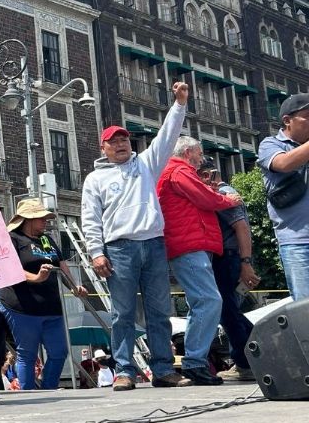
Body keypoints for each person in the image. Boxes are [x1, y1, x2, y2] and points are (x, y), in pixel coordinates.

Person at [80, 82, 192, 391]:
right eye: (113, 141)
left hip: (154, 245)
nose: (120, 144)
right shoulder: (95, 179)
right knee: (122, 313)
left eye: (124, 139)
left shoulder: (145, 165)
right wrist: (96, 252)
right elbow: (90, 219)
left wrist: (179, 104)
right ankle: (124, 371)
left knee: (160, 312)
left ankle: (163, 370)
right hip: (118, 250)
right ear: (103, 148)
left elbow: (167, 136)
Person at [157, 137, 241, 386]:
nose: (202, 158)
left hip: (190, 244)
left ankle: (195, 361)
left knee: (202, 301)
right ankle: (194, 362)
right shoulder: (179, 170)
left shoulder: (175, 171)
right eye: (200, 153)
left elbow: (199, 196)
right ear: (190, 152)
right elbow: (204, 198)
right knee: (209, 300)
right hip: (189, 245)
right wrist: (227, 201)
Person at [0, 199, 87, 390]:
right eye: (41, 218)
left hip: (52, 306)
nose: (45, 222)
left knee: (59, 351)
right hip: (22, 306)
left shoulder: (47, 239)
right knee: (27, 353)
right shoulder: (12, 238)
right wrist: (37, 277)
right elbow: (10, 268)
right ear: (27, 220)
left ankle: (49, 388)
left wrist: (74, 286)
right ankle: (28, 393)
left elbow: (61, 265)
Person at [196, 159, 258, 381]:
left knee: (227, 312)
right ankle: (254, 352)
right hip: (227, 258)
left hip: (228, 258)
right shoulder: (220, 194)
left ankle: (245, 362)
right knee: (230, 311)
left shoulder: (224, 193)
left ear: (206, 175)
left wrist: (245, 262)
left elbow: (241, 228)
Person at [258, 93, 309, 301]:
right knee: (305, 310)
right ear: (288, 120)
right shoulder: (270, 144)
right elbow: (284, 164)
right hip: (298, 242)